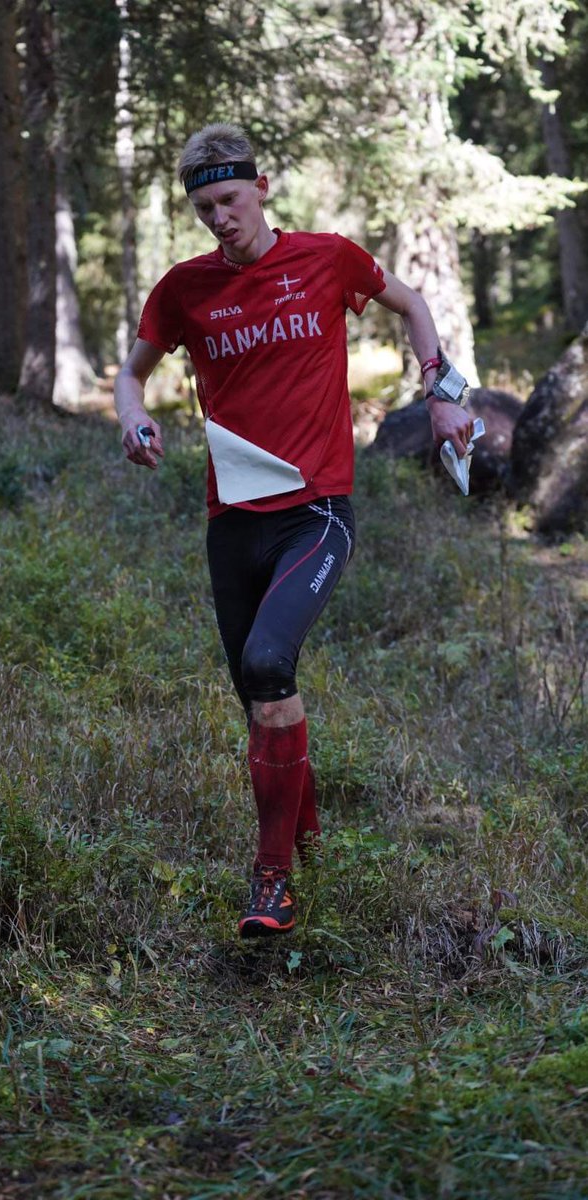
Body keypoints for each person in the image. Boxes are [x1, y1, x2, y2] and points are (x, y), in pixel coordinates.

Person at [114, 122, 473, 938]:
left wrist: (439, 388)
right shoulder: (184, 288)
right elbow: (132, 374)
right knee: (258, 696)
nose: (219, 219)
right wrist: (132, 420)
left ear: (262, 187)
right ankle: (312, 849)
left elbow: (410, 302)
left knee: (270, 662)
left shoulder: (327, 257)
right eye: (204, 207)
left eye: (230, 200)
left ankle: (272, 881)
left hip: (316, 512)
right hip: (231, 520)